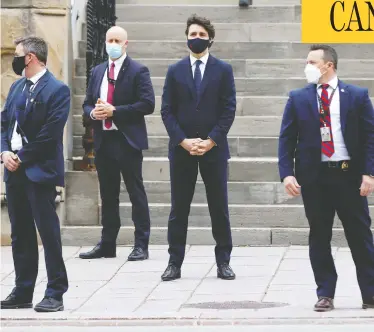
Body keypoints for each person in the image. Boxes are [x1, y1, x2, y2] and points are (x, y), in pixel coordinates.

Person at [278, 44, 374, 311]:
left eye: (311, 61)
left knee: (360, 236)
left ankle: (370, 292)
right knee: (319, 236)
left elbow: (370, 138)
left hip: (349, 177)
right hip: (315, 179)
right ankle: (325, 293)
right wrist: (286, 173)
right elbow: (286, 138)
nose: (307, 65)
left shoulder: (356, 95)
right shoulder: (299, 97)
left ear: (327, 65)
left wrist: (369, 173)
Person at [160, 15, 236, 281]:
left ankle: (224, 261)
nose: (197, 39)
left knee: (219, 207)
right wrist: (183, 140)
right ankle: (174, 262)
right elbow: (167, 111)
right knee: (179, 208)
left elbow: (229, 109)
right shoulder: (175, 70)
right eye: (193, 34)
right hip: (182, 150)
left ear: (210, 39)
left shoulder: (223, 70)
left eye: (202, 35)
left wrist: (211, 140)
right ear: (186, 37)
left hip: (213, 150)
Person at [0, 36, 69, 312]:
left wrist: (20, 157)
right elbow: (3, 123)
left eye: (17, 54)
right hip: (14, 171)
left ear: (30, 57)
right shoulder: (17, 86)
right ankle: (23, 289)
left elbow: (49, 135)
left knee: (48, 232)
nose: (14, 59)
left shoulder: (57, 90)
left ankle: (55, 292)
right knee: (21, 234)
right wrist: (4, 153)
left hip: (39, 171)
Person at [79, 26, 154, 261]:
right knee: (108, 194)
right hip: (104, 140)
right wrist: (94, 114)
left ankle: (141, 244)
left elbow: (147, 104)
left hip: (127, 140)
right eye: (109, 40)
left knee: (135, 192)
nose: (112, 44)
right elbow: (87, 104)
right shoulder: (98, 71)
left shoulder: (138, 70)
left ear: (125, 44)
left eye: (117, 40)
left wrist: (115, 111)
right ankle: (107, 244)